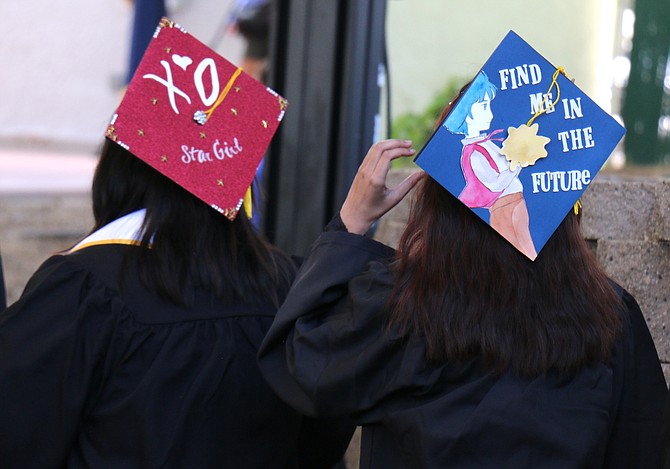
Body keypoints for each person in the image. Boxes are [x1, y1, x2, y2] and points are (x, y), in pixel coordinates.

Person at [257, 99, 668, 466]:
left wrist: (351, 223)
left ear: (439, 198)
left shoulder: (399, 304)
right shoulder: (608, 316)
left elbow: (304, 368)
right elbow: (642, 447)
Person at [0, 139, 354, 467]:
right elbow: (322, 439)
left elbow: (19, 433)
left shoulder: (84, 285)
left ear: (118, 172)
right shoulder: (290, 284)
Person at [444, 71, 537, 259]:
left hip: (515, 205)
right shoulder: (472, 153)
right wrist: (516, 164)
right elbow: (494, 183)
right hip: (504, 209)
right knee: (519, 256)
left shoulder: (486, 142)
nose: (491, 112)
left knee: (528, 250)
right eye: (484, 106)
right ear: (466, 115)